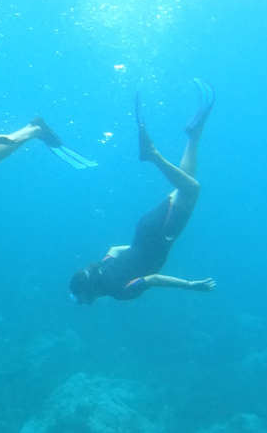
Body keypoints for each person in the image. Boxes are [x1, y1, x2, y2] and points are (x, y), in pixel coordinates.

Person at [69, 79, 217, 305]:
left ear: (91, 292)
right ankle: (193, 135)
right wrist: (139, 249)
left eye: (83, 299)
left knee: (191, 189)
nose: (85, 303)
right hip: (144, 230)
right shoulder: (100, 266)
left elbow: (154, 279)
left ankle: (153, 155)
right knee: (183, 187)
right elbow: (115, 249)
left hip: (162, 235)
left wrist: (189, 285)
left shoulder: (120, 291)